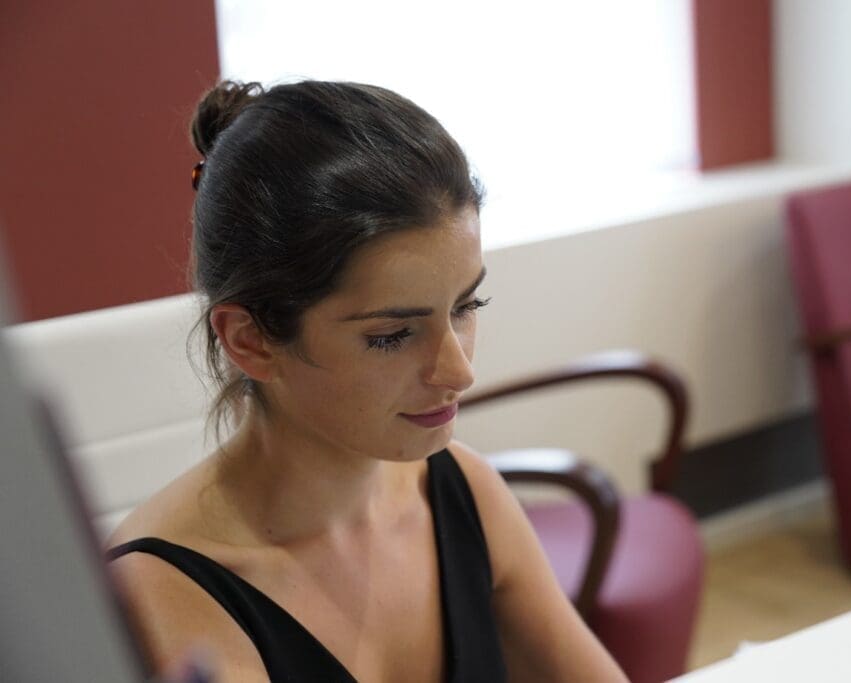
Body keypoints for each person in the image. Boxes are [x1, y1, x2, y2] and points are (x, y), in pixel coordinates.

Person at [106, 80, 627, 683]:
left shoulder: (462, 491)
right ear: (250, 340)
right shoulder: (163, 601)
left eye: (466, 305)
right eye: (390, 336)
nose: (459, 371)